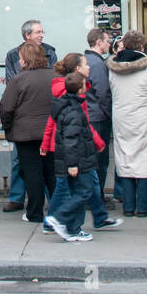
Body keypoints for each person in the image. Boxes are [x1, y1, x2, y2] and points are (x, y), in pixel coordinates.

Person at [42, 53, 120, 234]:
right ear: (78, 70)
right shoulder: (70, 95)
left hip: (71, 145)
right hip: (69, 147)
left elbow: (77, 123)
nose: (89, 67)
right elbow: (74, 123)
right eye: (85, 64)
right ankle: (54, 221)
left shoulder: (71, 91)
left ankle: (99, 217)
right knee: (68, 186)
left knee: (89, 182)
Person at [2, 20, 57, 213]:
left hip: (41, 118)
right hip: (23, 117)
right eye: (38, 32)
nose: (42, 35)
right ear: (27, 35)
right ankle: (17, 198)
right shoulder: (12, 55)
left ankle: (52, 202)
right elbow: (11, 84)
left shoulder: (50, 52)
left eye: (42, 31)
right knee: (20, 161)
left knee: (47, 165)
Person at [106, 30, 147, 217]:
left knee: (125, 159)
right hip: (144, 118)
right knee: (144, 159)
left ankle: (128, 206)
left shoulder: (112, 67)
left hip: (121, 118)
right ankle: (144, 206)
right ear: (142, 46)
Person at [43, 73, 98, 242]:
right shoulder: (73, 111)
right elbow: (71, 139)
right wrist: (73, 164)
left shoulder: (65, 105)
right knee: (84, 191)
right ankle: (60, 218)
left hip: (73, 158)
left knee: (77, 192)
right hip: (77, 159)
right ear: (81, 89)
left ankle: (73, 229)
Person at [83, 29, 116, 208]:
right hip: (98, 117)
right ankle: (96, 197)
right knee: (99, 160)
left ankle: (94, 196)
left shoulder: (87, 61)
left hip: (90, 114)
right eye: (107, 41)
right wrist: (109, 114)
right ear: (98, 42)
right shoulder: (97, 64)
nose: (109, 44)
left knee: (92, 159)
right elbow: (103, 92)